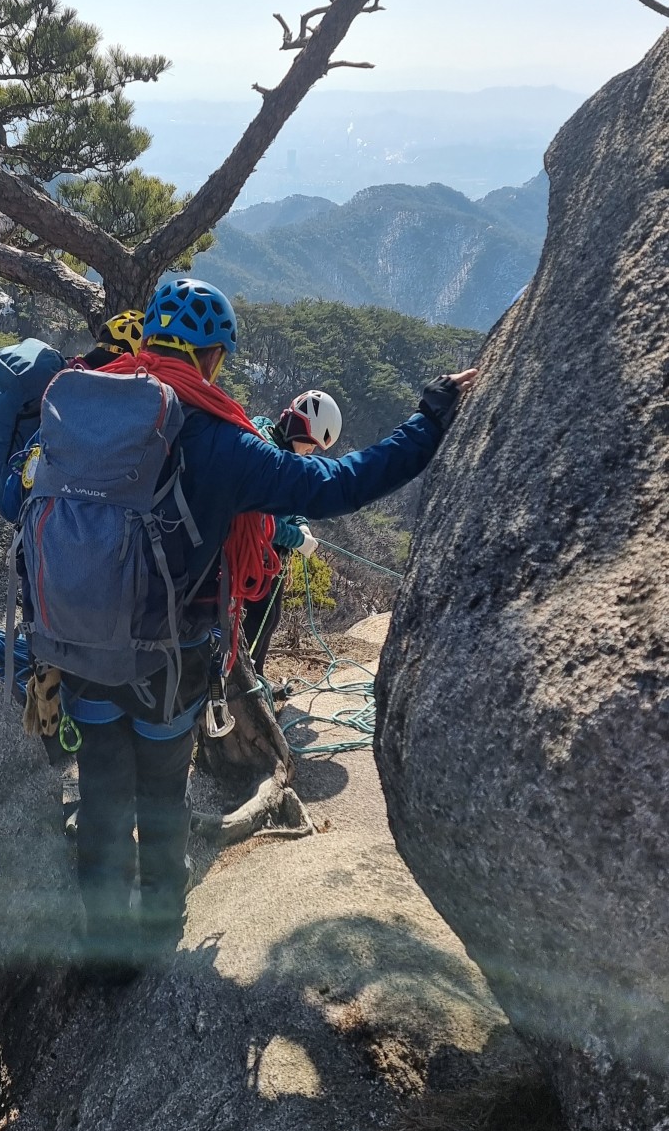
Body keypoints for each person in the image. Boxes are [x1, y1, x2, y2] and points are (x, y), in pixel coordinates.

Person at [42, 277, 477, 971]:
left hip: (81, 639)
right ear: (213, 357)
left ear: (148, 334)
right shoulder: (217, 437)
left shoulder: (82, 399)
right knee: (158, 790)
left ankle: (101, 944)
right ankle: (154, 938)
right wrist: (431, 417)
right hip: (169, 658)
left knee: (100, 788)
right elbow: (337, 486)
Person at [244, 390, 343, 676]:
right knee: (259, 618)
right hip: (254, 555)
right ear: (299, 431)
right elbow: (260, 522)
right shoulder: (270, 458)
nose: (310, 451)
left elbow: (290, 502)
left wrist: (301, 523)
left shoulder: (283, 453)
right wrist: (298, 539)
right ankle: (245, 686)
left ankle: (257, 680)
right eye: (310, 444)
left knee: (270, 617)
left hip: (269, 556)